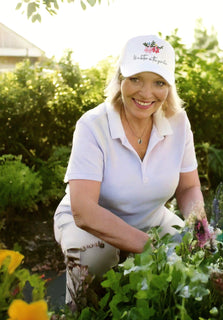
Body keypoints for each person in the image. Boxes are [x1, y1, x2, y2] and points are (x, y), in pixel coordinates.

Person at [54, 34, 206, 305]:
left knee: (194, 259)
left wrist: (198, 226)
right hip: (89, 225)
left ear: (169, 87)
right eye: (136, 79)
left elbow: (189, 187)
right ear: (120, 78)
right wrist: (151, 247)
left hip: (151, 218)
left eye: (159, 83)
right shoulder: (92, 125)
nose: (146, 94)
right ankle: (79, 310)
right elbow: (84, 210)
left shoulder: (178, 122)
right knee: (94, 261)